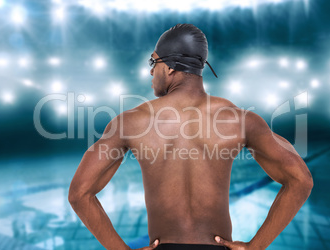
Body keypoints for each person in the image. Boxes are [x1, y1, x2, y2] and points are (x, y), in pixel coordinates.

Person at [68, 24, 313, 250]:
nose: (151, 71)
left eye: (153, 62)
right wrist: (256, 246)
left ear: (171, 67)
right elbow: (300, 180)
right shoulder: (240, 120)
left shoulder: (130, 122)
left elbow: (79, 193)